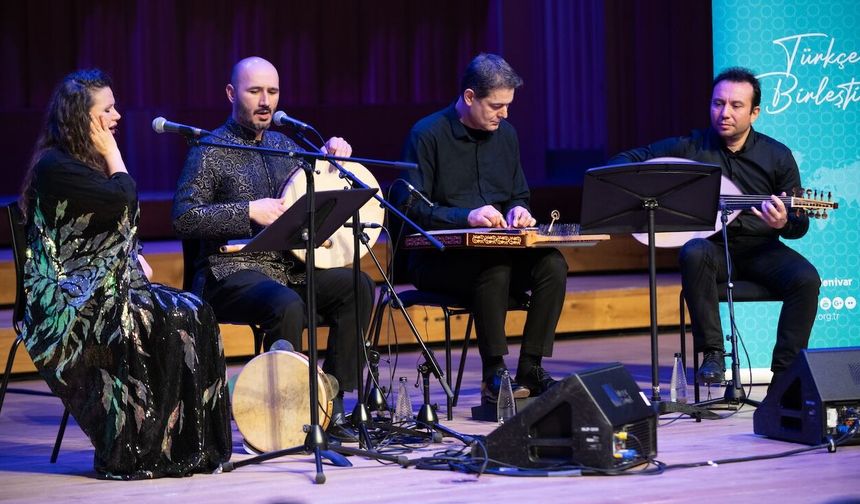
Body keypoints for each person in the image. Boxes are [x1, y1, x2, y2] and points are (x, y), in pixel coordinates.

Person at [18, 69, 231, 479]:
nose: (117, 116)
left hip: (107, 284)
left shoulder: (83, 163)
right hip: (68, 300)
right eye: (108, 109)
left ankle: (191, 445)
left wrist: (130, 257)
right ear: (84, 119)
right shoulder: (55, 166)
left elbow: (108, 227)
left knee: (195, 309)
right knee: (158, 317)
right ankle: (141, 449)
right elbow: (124, 201)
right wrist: (114, 153)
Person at [172, 57, 374, 438]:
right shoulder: (208, 149)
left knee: (358, 287)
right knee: (286, 304)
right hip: (228, 274)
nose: (265, 100)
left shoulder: (287, 146)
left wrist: (331, 155)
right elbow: (184, 217)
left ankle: (331, 402)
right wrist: (248, 211)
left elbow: (315, 189)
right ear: (232, 93)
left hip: (287, 269)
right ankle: (289, 414)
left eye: (272, 92)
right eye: (255, 91)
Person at [609, 67, 821, 388]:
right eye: (717, 103)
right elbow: (630, 159)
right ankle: (711, 354)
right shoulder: (691, 147)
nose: (724, 113)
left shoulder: (777, 156)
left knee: (806, 279)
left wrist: (784, 222)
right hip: (713, 251)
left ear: (755, 112)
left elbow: (798, 224)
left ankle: (787, 373)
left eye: (736, 105)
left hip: (760, 249)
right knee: (694, 251)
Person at [398, 53, 569, 403]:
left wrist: (520, 210)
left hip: (495, 256)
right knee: (494, 265)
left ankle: (531, 368)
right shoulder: (427, 134)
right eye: (496, 105)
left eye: (508, 105)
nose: (504, 114)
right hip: (438, 259)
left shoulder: (506, 135)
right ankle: (494, 371)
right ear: (470, 97)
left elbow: (518, 193)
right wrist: (467, 216)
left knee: (552, 263)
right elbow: (411, 207)